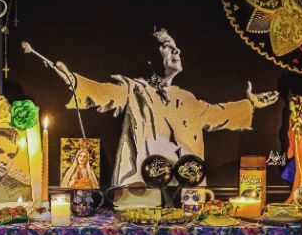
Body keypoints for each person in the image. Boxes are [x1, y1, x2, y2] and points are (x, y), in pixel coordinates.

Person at [53, 28, 280, 186]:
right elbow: (105, 93)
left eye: (176, 47)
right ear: (152, 58)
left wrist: (251, 103)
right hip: (141, 192)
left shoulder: (186, 98)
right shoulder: (135, 90)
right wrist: (73, 80)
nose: (177, 52)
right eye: (168, 47)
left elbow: (218, 114)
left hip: (184, 191)